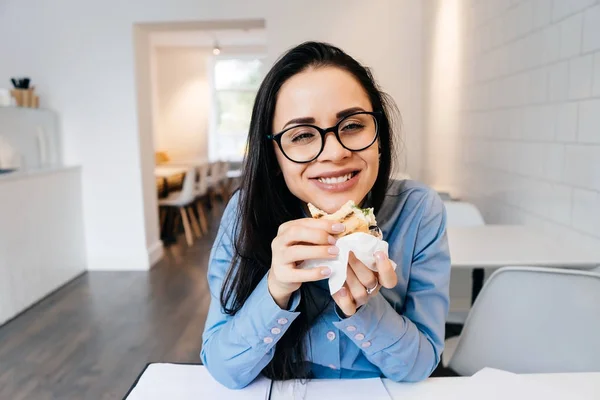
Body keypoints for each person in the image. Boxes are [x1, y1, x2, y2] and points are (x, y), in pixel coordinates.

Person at [201, 41, 450, 389]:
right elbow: (223, 368)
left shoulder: (418, 211)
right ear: (274, 155)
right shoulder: (245, 213)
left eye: (352, 125)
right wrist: (277, 288)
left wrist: (363, 308)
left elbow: (420, 365)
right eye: (302, 135)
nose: (334, 152)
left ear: (379, 135)